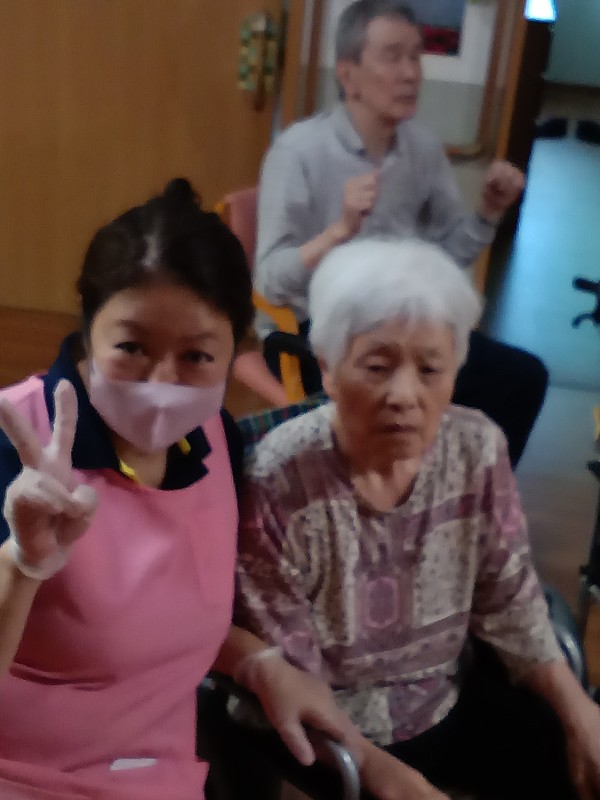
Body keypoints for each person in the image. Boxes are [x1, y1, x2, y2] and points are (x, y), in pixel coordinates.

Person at [0, 179, 360, 800]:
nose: (162, 382)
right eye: (131, 347)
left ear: (234, 352)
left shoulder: (215, 442)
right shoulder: (17, 443)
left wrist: (257, 661)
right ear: (89, 330)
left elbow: (165, 619)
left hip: (156, 774)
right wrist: (21, 566)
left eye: (196, 357)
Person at [236, 238, 600, 799]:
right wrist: (387, 776)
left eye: (430, 368)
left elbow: (510, 601)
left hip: (444, 698)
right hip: (331, 733)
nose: (404, 395)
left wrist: (580, 711)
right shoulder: (279, 479)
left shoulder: (477, 448)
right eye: (377, 367)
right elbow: (293, 676)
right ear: (327, 368)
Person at [253, 0, 545, 467]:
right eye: (392, 57)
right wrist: (339, 231)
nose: (411, 73)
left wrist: (488, 211)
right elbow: (269, 280)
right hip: (320, 331)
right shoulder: (298, 152)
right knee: (413, 397)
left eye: (415, 56)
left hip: (404, 323)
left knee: (523, 377)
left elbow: (447, 257)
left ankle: (469, 495)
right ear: (348, 75)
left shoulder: (421, 148)